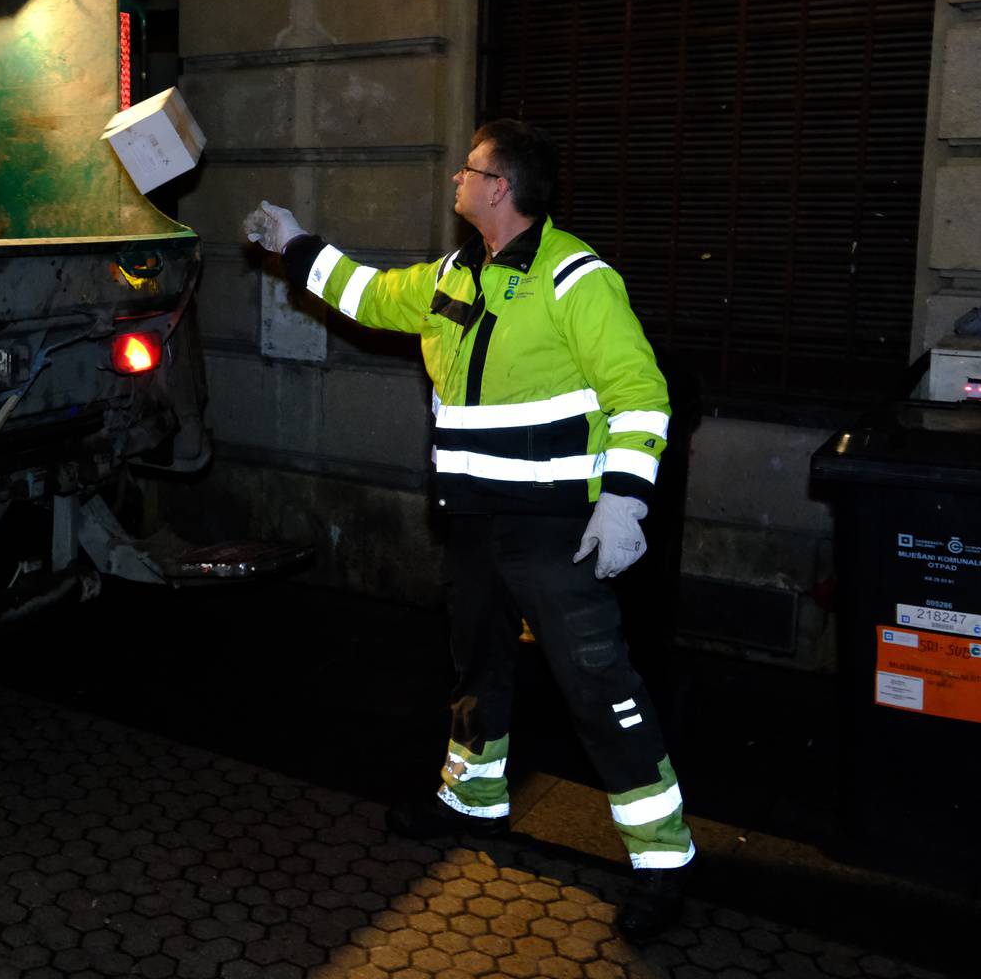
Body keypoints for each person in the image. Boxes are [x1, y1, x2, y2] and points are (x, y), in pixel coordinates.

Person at [243, 118, 694, 939]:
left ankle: (663, 861)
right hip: (473, 524)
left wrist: (625, 500)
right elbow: (373, 296)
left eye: (468, 170)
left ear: (501, 187)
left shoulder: (575, 279)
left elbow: (640, 392)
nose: (455, 180)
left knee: (599, 689)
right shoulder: (457, 272)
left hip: (558, 528)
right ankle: (473, 802)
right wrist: (296, 244)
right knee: (476, 671)